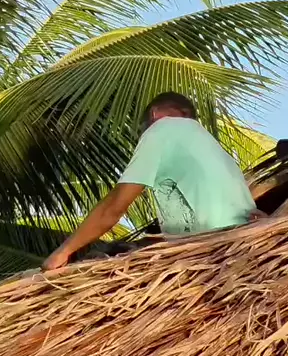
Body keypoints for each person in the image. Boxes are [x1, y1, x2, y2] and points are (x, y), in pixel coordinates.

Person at [42, 92, 257, 270]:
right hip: (244, 246)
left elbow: (113, 208)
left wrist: (63, 252)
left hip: (211, 252)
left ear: (154, 114)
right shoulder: (209, 145)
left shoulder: (161, 129)